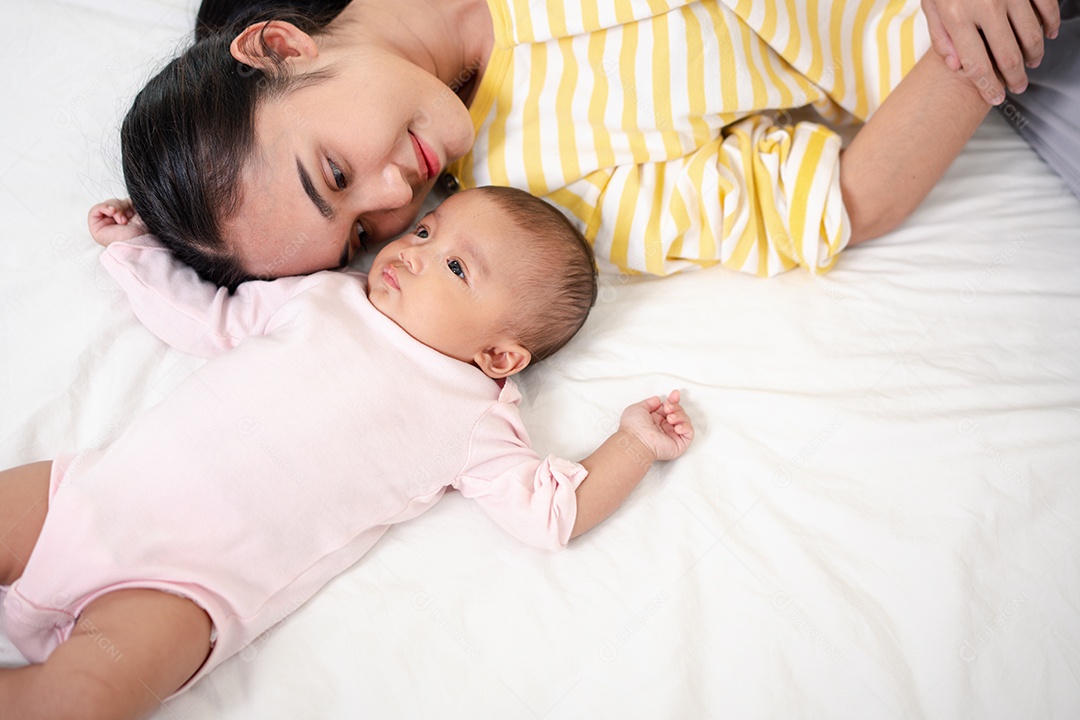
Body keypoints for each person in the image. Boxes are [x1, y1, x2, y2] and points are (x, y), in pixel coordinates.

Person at [0, 186, 695, 720]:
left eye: (454, 266)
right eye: (426, 229)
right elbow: (210, 318)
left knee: (83, 699)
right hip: (89, 497)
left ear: (500, 353)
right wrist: (139, 252)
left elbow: (552, 514)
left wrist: (632, 444)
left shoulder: (473, 417)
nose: (415, 249)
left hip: (180, 593)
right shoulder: (327, 296)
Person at [121, 0, 1011, 292]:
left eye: (337, 174)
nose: (393, 197)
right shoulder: (538, 191)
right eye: (360, 235)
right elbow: (840, 201)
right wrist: (975, 48)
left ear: (278, 47)